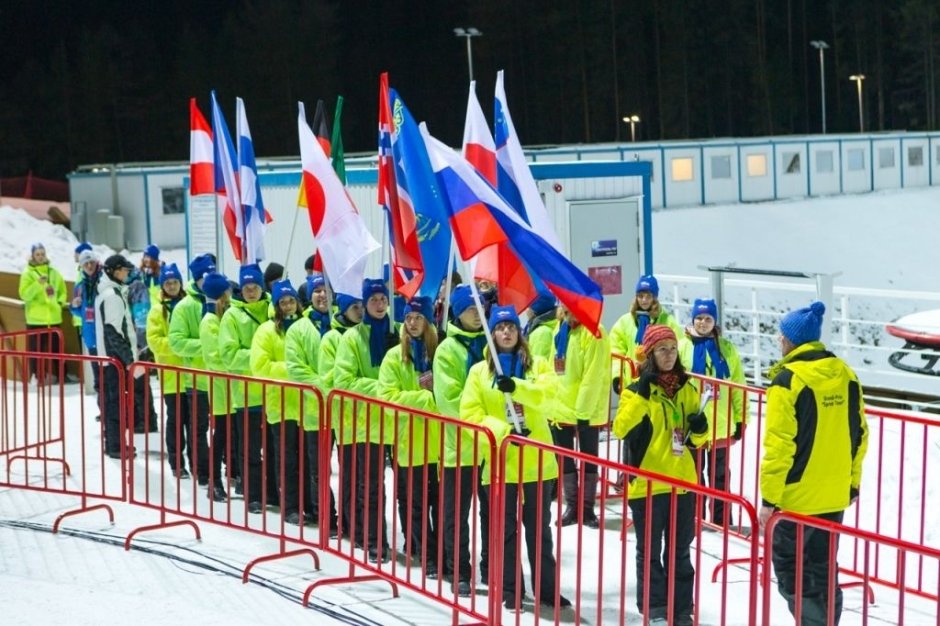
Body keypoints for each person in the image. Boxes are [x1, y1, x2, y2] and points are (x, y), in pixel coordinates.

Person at [759, 301, 869, 626]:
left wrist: (769, 499)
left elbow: (779, 446)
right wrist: (852, 483)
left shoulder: (787, 382)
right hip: (834, 494)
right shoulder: (845, 375)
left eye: (782, 336)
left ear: (792, 341)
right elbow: (859, 434)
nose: (779, 340)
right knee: (823, 569)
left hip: (796, 498)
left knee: (789, 570)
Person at [460, 305, 571, 612]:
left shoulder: (537, 365)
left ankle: (547, 591)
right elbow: (470, 414)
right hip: (500, 465)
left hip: (537, 463)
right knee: (504, 532)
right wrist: (504, 431)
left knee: (539, 532)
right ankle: (511, 590)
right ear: (492, 333)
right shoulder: (479, 372)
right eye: (500, 327)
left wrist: (518, 387)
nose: (506, 332)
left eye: (511, 326)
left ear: (519, 332)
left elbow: (549, 396)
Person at [612, 324, 710, 626]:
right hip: (648, 486)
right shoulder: (635, 392)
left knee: (680, 552)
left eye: (671, 348)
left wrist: (701, 428)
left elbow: (696, 442)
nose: (668, 355)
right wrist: (641, 395)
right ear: (649, 354)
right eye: (661, 349)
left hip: (682, 484)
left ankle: (682, 610)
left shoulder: (689, 389)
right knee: (650, 552)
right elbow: (621, 429)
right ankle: (654, 609)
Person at [333, 278, 400, 563]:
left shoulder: (398, 333)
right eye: (372, 300)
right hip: (368, 422)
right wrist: (383, 390)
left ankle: (418, 543)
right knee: (372, 486)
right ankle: (374, 540)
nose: (379, 304)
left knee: (407, 489)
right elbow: (344, 380)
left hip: (401, 423)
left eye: (382, 299)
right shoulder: (352, 338)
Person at [432, 284, 490, 596]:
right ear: (457, 311)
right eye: (471, 309)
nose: (477, 315)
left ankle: (491, 569)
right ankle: (458, 571)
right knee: (456, 515)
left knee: (491, 514)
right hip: (459, 448)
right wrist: (482, 419)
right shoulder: (447, 350)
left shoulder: (491, 345)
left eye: (480, 308)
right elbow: (449, 400)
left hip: (489, 449)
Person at [377, 296, 440, 578]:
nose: (413, 323)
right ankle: (424, 553)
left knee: (439, 503)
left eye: (418, 318)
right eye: (409, 318)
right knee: (413, 502)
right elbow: (388, 397)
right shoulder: (394, 356)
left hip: (439, 444)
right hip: (408, 442)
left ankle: (442, 552)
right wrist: (426, 400)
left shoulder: (440, 352)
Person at [678, 298, 746, 526]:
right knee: (694, 474)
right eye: (699, 318)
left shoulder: (726, 349)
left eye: (708, 319)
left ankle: (722, 522)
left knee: (720, 476)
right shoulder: (682, 346)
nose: (703, 323)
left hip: (721, 423)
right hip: (693, 423)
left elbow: (738, 385)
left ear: (715, 321)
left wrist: (741, 419)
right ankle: (694, 518)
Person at [609, 275, 683, 483]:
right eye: (640, 295)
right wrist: (617, 374)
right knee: (630, 427)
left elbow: (678, 347)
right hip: (634, 383)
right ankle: (628, 471)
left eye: (647, 295)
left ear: (655, 297)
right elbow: (616, 348)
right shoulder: (625, 322)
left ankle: (656, 471)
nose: (643, 300)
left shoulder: (666, 321)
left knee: (655, 427)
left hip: (659, 382)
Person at [250, 279, 313, 525]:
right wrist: (295, 371)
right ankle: (290, 506)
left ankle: (309, 503)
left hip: (307, 405)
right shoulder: (266, 331)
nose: (287, 306)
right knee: (286, 458)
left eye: (291, 301)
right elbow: (260, 366)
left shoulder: (306, 326)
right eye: (283, 302)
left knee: (307, 458)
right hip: (281, 405)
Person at [285, 275, 338, 533]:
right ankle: (325, 514)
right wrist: (328, 387)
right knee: (319, 469)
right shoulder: (298, 329)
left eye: (326, 290)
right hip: (315, 411)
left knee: (350, 472)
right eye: (317, 290)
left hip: (345, 412)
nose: (322, 295)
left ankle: (348, 518)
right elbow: (296, 369)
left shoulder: (343, 325)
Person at [551, 302, 610, 528]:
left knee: (589, 458)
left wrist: (583, 411)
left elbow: (593, 376)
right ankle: (571, 506)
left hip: (587, 409)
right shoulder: (560, 331)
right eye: (565, 311)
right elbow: (552, 368)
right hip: (562, 406)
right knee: (565, 458)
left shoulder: (595, 332)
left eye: (571, 310)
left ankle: (586, 509)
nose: (568, 315)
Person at [218, 264, 272, 513]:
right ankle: (252, 494)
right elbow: (228, 355)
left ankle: (272, 493)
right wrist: (260, 358)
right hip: (247, 394)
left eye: (256, 287)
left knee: (273, 449)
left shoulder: (273, 309)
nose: (251, 292)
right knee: (250, 449)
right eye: (247, 288)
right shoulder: (232, 315)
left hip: (274, 393)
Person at [317, 292, 363, 537]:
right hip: (344, 415)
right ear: (343, 310)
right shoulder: (332, 339)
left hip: (370, 418)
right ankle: (346, 520)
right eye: (354, 306)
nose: (360, 310)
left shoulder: (366, 334)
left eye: (361, 305)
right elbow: (328, 380)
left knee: (365, 478)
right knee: (349, 473)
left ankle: (360, 523)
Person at [167, 253, 216, 486]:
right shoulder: (184, 307)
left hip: (221, 380)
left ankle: (224, 470)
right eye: (204, 278)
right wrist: (205, 346)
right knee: (199, 429)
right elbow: (176, 341)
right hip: (197, 380)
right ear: (196, 279)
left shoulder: (221, 300)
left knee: (225, 432)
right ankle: (202, 471)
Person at [146, 263, 192, 478]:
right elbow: (154, 341)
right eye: (168, 283)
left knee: (194, 424)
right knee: (175, 421)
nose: (172, 286)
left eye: (175, 282)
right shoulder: (157, 310)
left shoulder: (189, 305)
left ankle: (196, 462)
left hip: (193, 375)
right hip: (172, 377)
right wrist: (179, 345)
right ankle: (176, 462)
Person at [94, 254, 139, 460]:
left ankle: (114, 443)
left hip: (110, 359)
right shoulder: (112, 296)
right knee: (116, 404)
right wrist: (128, 359)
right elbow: (113, 331)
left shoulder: (110, 292)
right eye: (123, 270)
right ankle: (116, 446)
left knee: (114, 403)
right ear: (113, 271)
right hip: (115, 361)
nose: (127, 273)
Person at [199, 272, 237, 503]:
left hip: (233, 389)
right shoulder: (209, 322)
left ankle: (232, 476)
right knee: (221, 436)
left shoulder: (223, 318)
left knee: (231, 435)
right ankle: (214, 482)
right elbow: (215, 356)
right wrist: (235, 363)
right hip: (222, 390)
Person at [18, 243, 67, 382]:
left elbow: (62, 291)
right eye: (37, 254)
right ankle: (38, 377)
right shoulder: (27, 274)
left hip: (54, 318)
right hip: (35, 320)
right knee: (36, 351)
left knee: (58, 350)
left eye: (42, 254)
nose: (40, 257)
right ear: (33, 256)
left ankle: (62, 376)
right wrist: (37, 284)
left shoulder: (53, 272)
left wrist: (59, 303)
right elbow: (24, 295)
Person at [70, 250, 102, 393]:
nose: (89, 266)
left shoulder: (103, 281)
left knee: (109, 378)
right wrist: (74, 306)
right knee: (98, 378)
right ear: (81, 267)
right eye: (85, 264)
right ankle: (103, 413)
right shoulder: (79, 286)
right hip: (90, 336)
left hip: (105, 335)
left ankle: (113, 414)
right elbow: (79, 311)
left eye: (91, 263)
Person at [129, 244, 162, 361]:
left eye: (150, 257)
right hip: (142, 313)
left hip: (157, 313)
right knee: (142, 341)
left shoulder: (160, 274)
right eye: (145, 256)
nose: (147, 259)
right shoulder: (139, 274)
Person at [523, 291, 559, 361]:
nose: (526, 309)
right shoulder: (548, 326)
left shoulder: (541, 333)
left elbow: (537, 366)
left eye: (528, 305)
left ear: (534, 310)